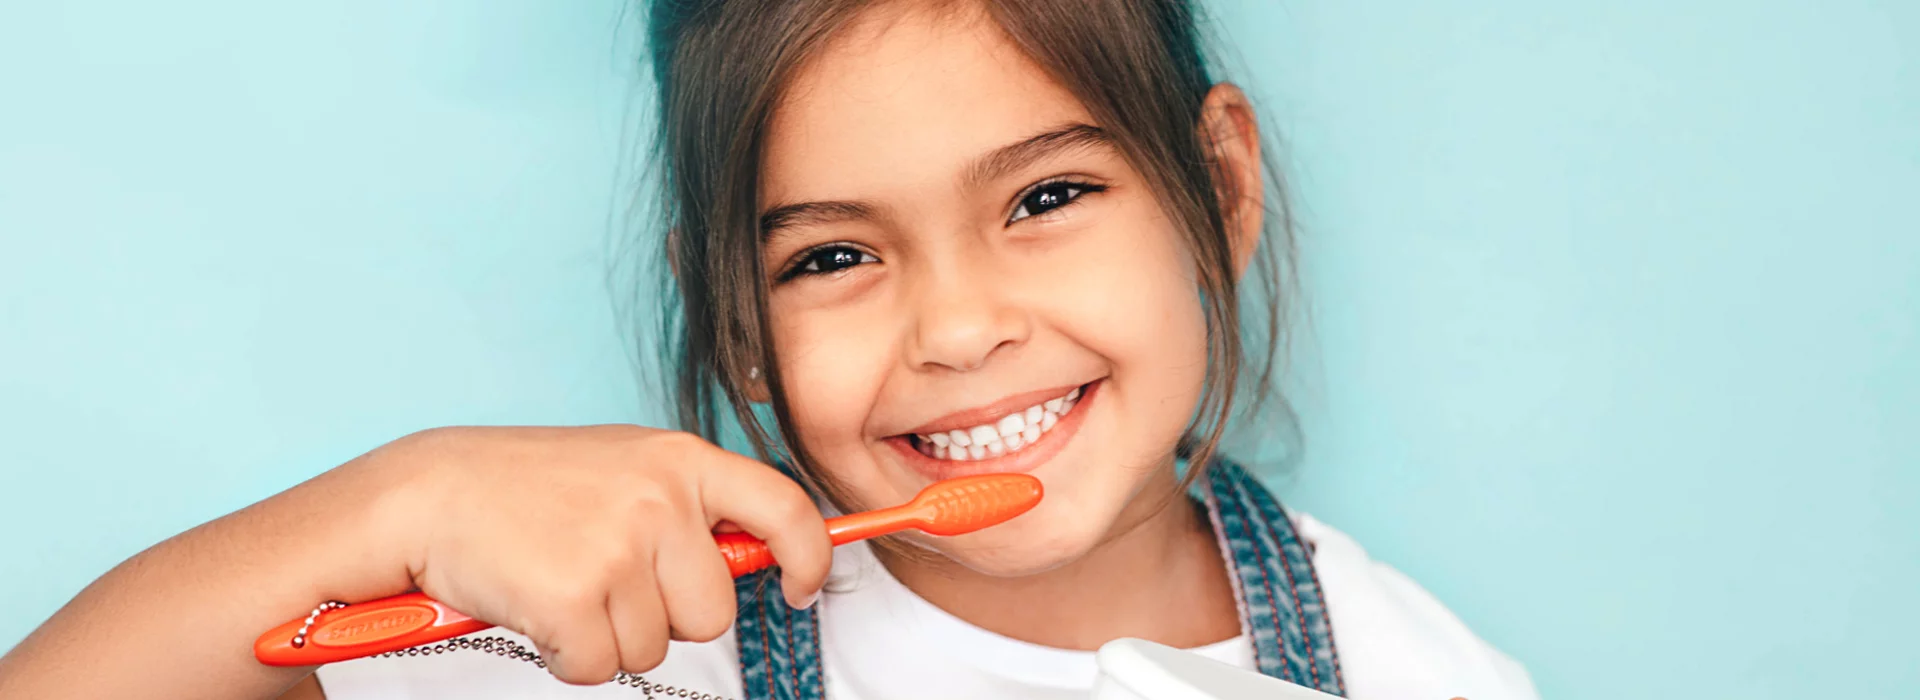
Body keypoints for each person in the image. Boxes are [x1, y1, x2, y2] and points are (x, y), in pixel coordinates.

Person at [0, 1, 1540, 698]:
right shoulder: (638, 642)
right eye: (834, 257)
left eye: (1048, 197)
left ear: (1218, 186)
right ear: (735, 315)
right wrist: (403, 501)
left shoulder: (1419, 672)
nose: (957, 330)